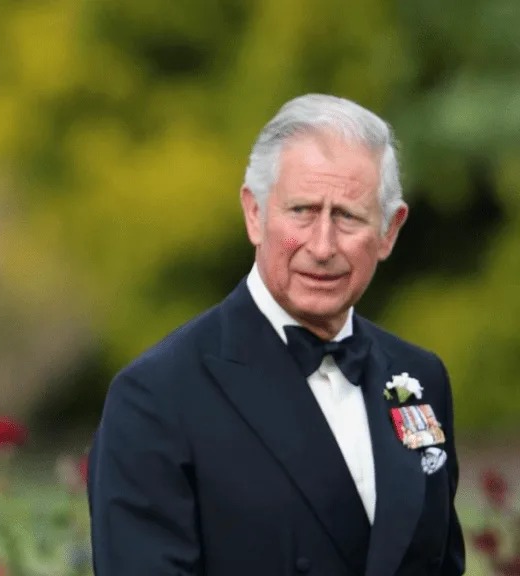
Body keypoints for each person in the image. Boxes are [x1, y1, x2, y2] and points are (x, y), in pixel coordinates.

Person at [88, 94, 464, 575]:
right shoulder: (156, 398)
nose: (322, 246)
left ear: (389, 231)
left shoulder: (421, 377)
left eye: (348, 216)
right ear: (255, 214)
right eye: (302, 210)